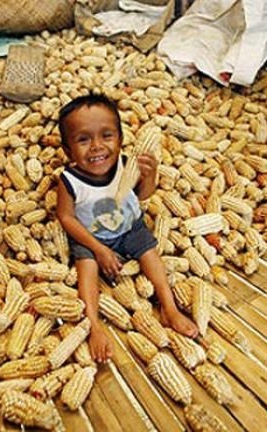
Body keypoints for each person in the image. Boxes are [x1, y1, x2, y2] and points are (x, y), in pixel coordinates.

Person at [55, 94, 199, 363]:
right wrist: (98, 250)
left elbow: (143, 196)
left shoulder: (124, 165)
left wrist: (150, 174)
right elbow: (66, 218)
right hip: (92, 236)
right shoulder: (70, 180)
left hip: (130, 227)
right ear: (68, 151)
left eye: (106, 136)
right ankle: (93, 325)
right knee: (86, 268)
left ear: (120, 139)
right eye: (83, 140)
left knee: (151, 253)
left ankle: (168, 307)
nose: (97, 147)